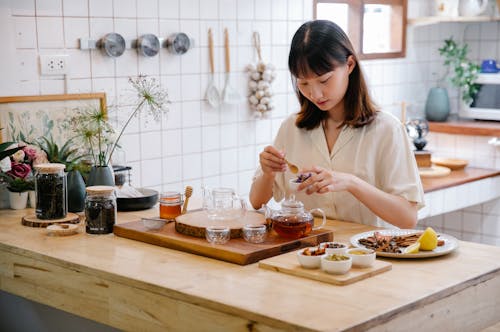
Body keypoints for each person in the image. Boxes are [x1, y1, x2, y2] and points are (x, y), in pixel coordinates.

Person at [249, 20, 424, 229]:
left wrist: (352, 183)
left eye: (324, 81)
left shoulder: (387, 129)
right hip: (306, 255)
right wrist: (268, 172)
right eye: (303, 83)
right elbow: (256, 201)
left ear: (349, 65)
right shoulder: (292, 128)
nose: (315, 94)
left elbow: (407, 218)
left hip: (367, 256)